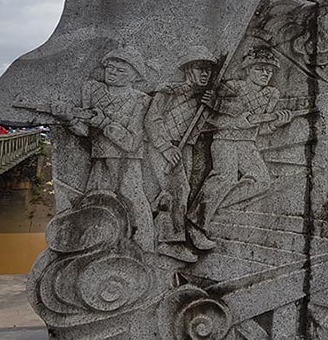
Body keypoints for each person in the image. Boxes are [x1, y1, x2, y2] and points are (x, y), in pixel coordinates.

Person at [186, 46, 292, 249]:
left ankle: (212, 208)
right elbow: (213, 120)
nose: (265, 73)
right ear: (248, 69)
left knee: (262, 181)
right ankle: (195, 224)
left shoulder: (272, 94)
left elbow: (261, 128)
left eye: (269, 70)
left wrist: (276, 123)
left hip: (248, 143)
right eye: (260, 68)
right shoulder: (232, 87)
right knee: (224, 177)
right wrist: (231, 114)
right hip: (225, 140)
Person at [52, 46, 154, 253]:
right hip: (99, 160)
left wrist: (105, 123)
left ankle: (146, 248)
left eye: (121, 70)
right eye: (110, 68)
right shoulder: (93, 91)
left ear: (135, 75)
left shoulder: (141, 100)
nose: (113, 73)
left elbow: (132, 141)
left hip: (128, 162)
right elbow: (84, 133)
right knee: (94, 203)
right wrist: (68, 119)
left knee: (134, 200)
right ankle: (96, 249)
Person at [145, 45, 218, 262]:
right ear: (188, 70)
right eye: (199, 68)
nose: (205, 73)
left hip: (185, 147)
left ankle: (171, 233)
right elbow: (153, 120)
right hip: (165, 146)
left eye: (208, 70)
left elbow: (204, 127)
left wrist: (213, 107)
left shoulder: (202, 98)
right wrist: (165, 147)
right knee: (178, 190)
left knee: (180, 192)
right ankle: (170, 242)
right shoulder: (168, 91)